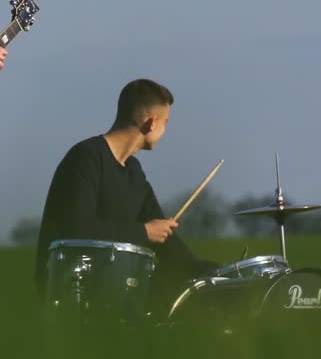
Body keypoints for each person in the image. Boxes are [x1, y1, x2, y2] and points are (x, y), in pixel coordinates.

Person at [35, 79, 216, 293]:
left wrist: (217, 273)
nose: (166, 129)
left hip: (117, 291)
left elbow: (162, 235)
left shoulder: (134, 171)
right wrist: (143, 232)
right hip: (74, 293)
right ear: (152, 122)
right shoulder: (86, 157)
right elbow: (76, 227)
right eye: (166, 122)